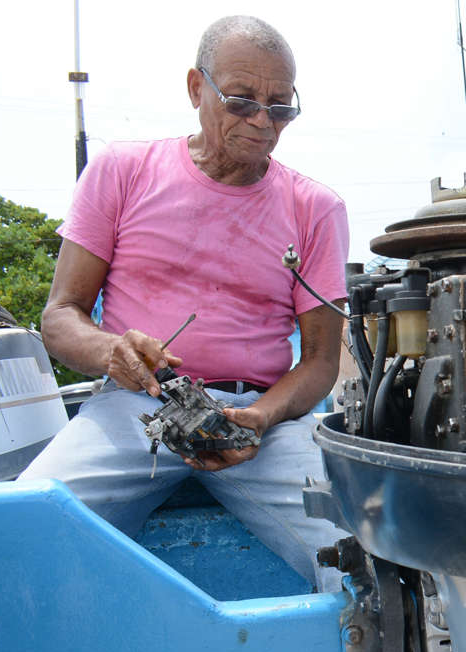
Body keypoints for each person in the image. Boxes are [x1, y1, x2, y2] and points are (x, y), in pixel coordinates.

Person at [20, 15, 348, 590]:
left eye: (280, 108)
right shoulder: (122, 171)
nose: (262, 121)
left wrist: (260, 418)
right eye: (242, 101)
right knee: (21, 534)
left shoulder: (315, 207)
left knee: (359, 555)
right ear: (197, 88)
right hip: (134, 408)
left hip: (258, 422)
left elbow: (320, 361)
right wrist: (113, 352)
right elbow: (60, 317)